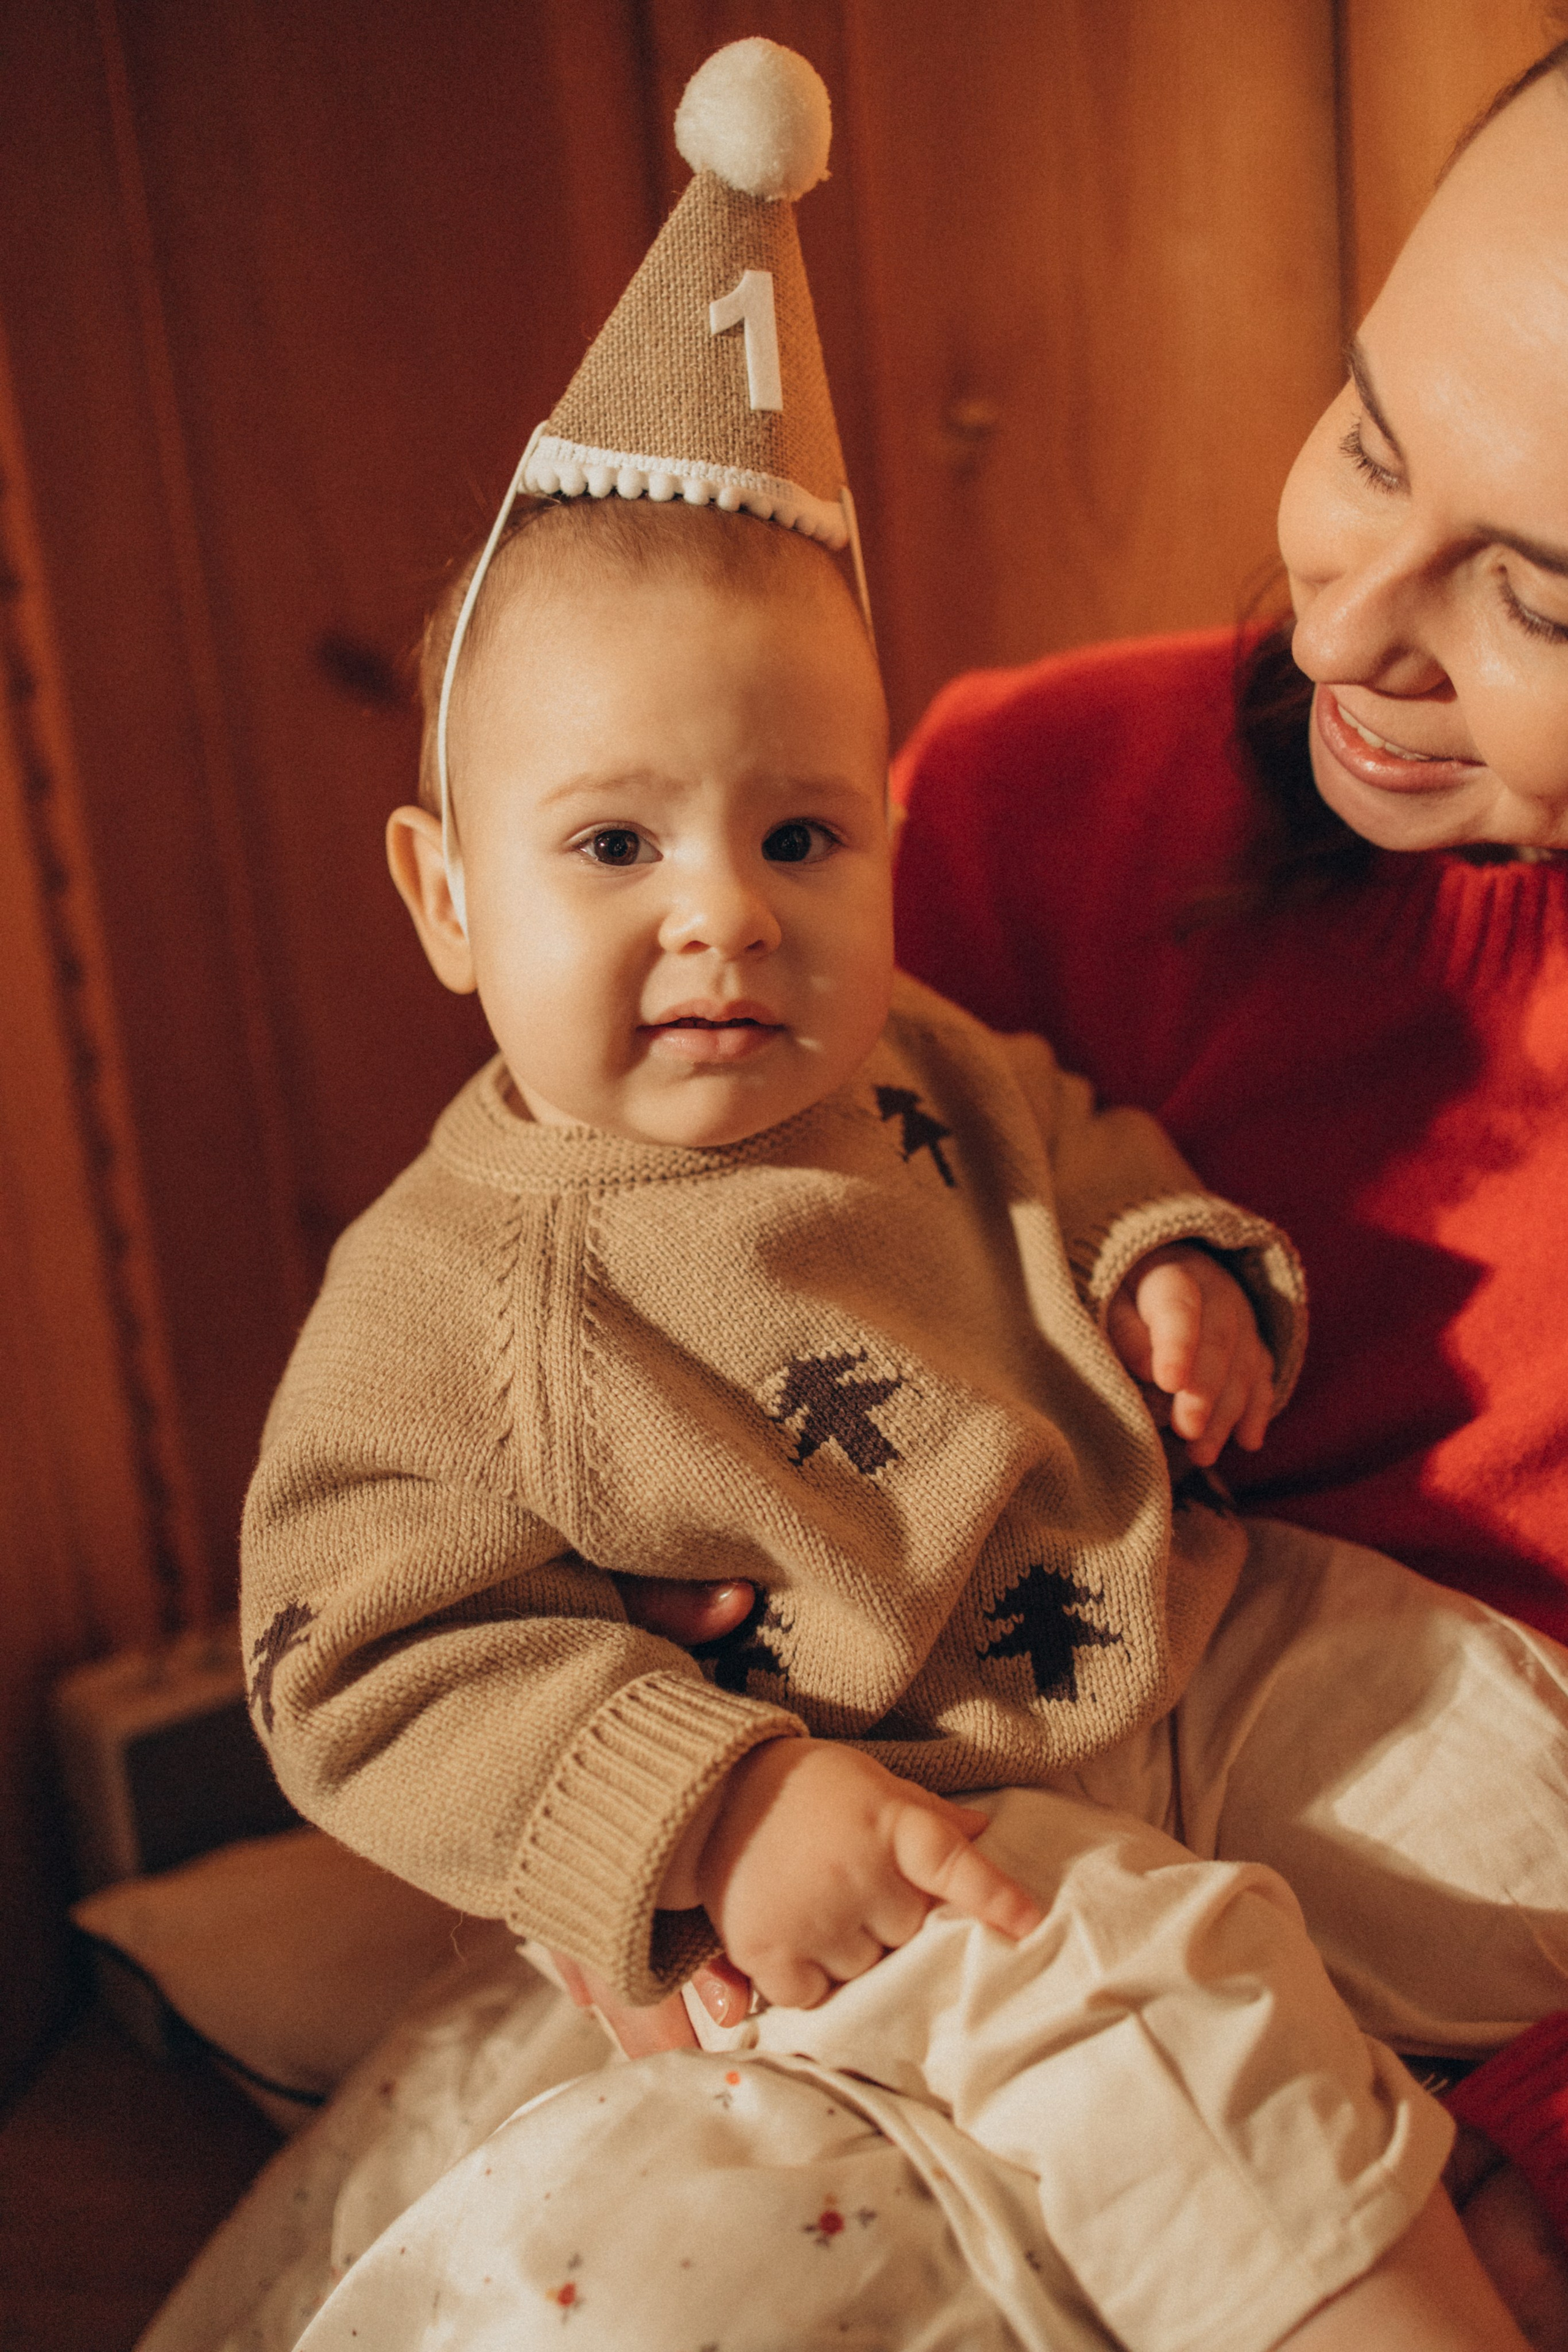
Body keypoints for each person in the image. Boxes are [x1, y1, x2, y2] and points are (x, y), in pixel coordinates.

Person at [244, 40, 1568, 2352]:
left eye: (797, 841)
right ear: (441, 896)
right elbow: (366, 1641)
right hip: (925, 1795)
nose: (731, 924)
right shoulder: (481, 1282)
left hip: (1207, 1626)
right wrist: (691, 1802)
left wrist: (1171, 1258)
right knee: (1147, 2003)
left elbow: (1053, 1132)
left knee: (1505, 1767)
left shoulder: (897, 1040)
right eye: (1366, 439)